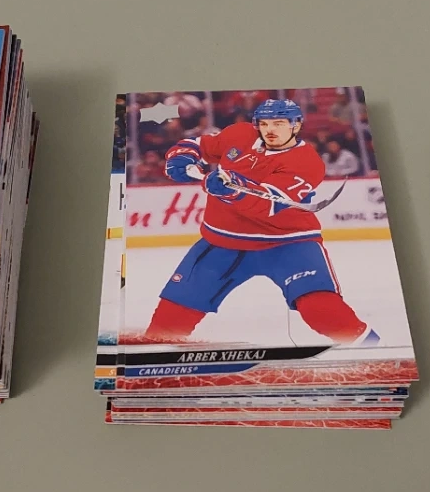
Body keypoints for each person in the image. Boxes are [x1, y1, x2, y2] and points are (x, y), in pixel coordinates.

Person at [142, 98, 379, 345]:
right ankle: (155, 361)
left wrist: (232, 188)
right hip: (221, 244)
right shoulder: (240, 134)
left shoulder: (307, 162)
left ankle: (374, 351)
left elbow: (266, 205)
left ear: (296, 125)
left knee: (323, 313)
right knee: (168, 322)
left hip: (287, 244)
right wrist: (182, 157)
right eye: (264, 124)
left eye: (279, 123)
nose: (270, 129)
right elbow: (199, 144)